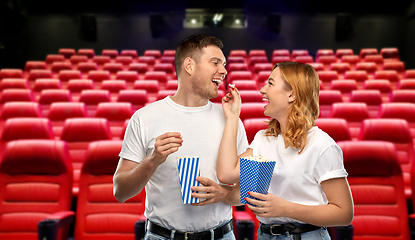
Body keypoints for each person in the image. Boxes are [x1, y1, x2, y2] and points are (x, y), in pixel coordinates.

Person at [113, 34, 249, 240]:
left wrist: (224, 194)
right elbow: (120, 192)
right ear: (189, 65)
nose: (224, 71)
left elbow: (250, 188)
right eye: (215, 62)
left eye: (224, 64)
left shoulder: (231, 120)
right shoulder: (144, 118)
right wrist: (153, 160)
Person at [217, 61, 354, 240]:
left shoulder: (321, 145)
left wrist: (284, 208)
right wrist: (233, 116)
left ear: (292, 95)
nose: (262, 90)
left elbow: (344, 214)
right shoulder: (263, 139)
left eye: (271, 83)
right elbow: (226, 174)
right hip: (265, 235)